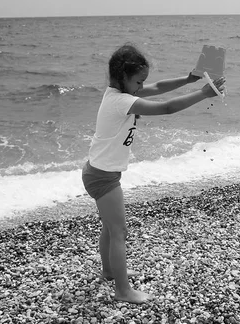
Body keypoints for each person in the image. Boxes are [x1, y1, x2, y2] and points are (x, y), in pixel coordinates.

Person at [82, 43, 226, 304]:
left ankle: (110, 272)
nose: (142, 87)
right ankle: (123, 291)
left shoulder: (119, 93)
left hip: (100, 172)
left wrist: (188, 79)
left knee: (109, 228)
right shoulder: (121, 101)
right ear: (122, 77)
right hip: (102, 177)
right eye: (139, 82)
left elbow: (159, 89)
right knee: (119, 231)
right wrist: (204, 93)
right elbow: (167, 108)